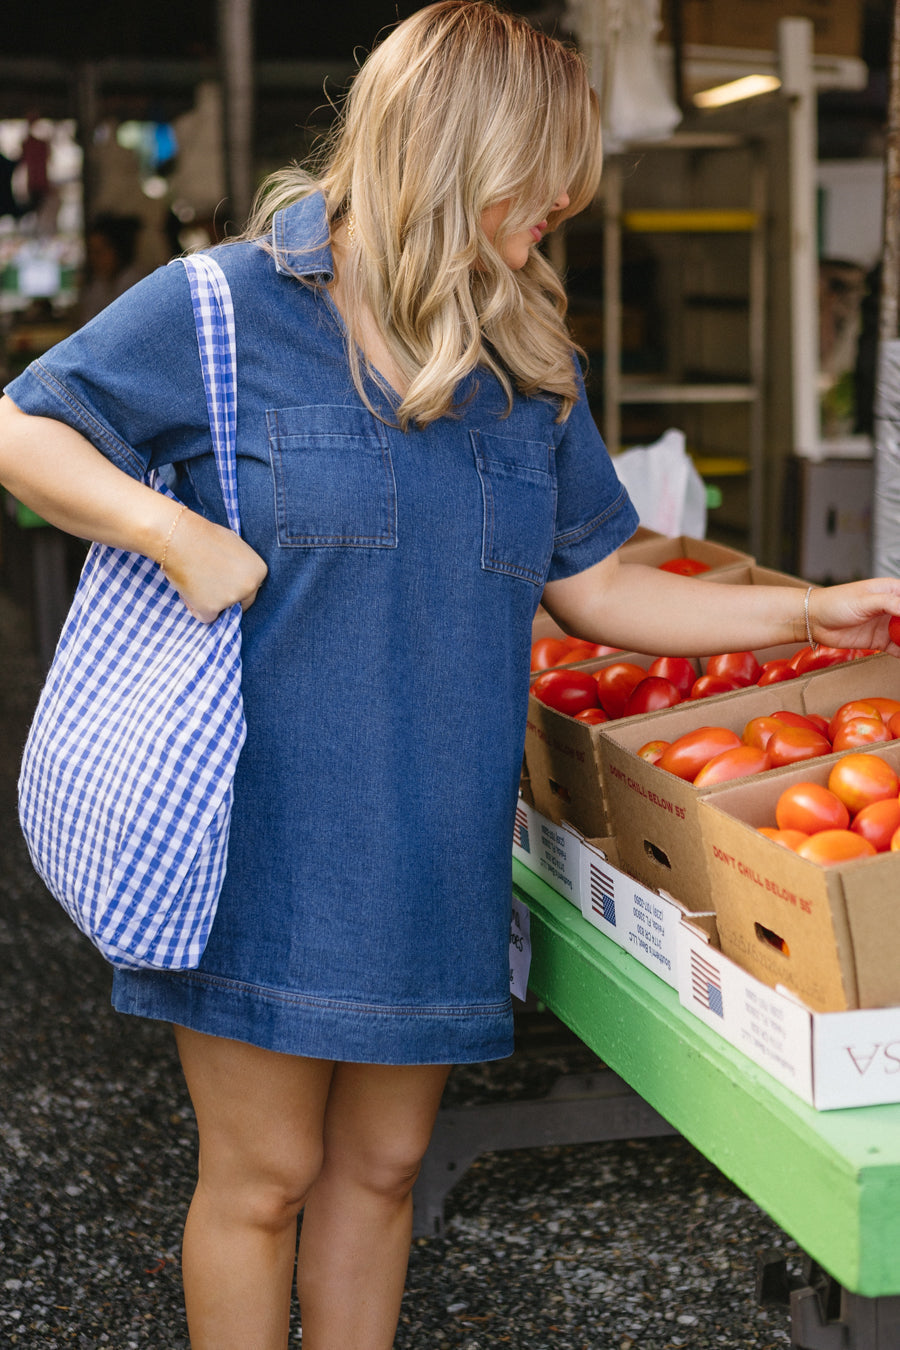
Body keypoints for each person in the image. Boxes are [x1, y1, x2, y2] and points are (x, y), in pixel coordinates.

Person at [0, 4, 899, 1346]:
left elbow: (593, 581)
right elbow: (21, 428)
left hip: (435, 856)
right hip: (261, 846)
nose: (556, 217)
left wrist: (814, 609)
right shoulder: (225, 308)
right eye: (542, 190)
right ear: (455, 155)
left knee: (382, 1173)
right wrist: (171, 529)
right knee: (263, 1180)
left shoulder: (527, 365)